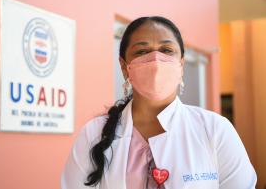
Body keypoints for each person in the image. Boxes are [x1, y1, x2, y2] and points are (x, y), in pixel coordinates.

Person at [61, 16, 257, 189]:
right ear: (124, 66)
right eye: (141, 51)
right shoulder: (94, 134)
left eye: (166, 50)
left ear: (181, 63)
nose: (155, 59)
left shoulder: (216, 130)